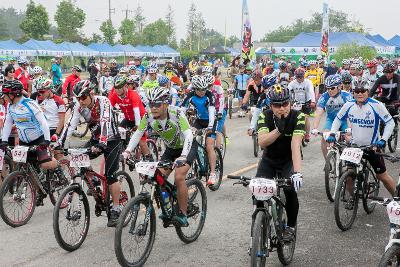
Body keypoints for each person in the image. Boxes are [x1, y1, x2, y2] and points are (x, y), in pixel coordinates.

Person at [123, 87, 195, 226]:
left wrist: (184, 155)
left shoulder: (177, 113)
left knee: (179, 177)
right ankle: (168, 209)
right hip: (171, 149)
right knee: (158, 177)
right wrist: (127, 152)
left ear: (166, 104)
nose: (154, 108)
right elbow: (138, 133)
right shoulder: (148, 115)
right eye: (151, 104)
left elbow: (188, 135)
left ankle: (183, 213)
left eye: (157, 104)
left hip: (187, 147)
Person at [58, 80, 123, 227]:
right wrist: (60, 143)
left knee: (110, 175)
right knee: (80, 157)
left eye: (83, 98)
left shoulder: (103, 101)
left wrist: (102, 143)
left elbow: (105, 121)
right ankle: (94, 181)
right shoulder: (79, 107)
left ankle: (117, 208)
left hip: (112, 140)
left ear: (91, 94)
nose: (80, 101)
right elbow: (70, 125)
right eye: (77, 98)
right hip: (96, 139)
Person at [327, 78, 396, 196]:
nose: (359, 93)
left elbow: (390, 123)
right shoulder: (348, 105)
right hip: (354, 146)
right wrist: (332, 133)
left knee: (382, 176)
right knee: (348, 174)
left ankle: (397, 198)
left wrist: (383, 140)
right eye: (356, 91)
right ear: (353, 92)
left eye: (362, 90)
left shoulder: (376, 105)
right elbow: (338, 119)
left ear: (368, 91)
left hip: (372, 147)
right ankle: (352, 198)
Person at [1, 80, 64, 205]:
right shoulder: (10, 106)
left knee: (45, 164)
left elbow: (43, 123)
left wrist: (46, 140)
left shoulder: (30, 104)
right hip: (25, 141)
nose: (4, 97)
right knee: (29, 168)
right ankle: (39, 192)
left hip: (39, 138)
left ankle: (59, 170)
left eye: (6, 94)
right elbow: (8, 123)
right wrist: (3, 140)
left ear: (13, 94)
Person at [256, 83, 304, 240]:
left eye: (285, 103)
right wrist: (279, 130)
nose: (282, 108)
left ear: (290, 102)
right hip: (269, 160)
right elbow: (262, 142)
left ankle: (290, 226)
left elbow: (295, 145)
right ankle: (259, 224)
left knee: (290, 191)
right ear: (271, 105)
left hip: (288, 160)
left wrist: (297, 173)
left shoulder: (299, 117)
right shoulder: (265, 116)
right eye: (277, 105)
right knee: (258, 194)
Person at [181, 75, 217, 185]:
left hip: (210, 121)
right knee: (192, 141)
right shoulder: (190, 96)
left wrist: (210, 126)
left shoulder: (209, 96)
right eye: (199, 89)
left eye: (204, 89)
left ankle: (212, 173)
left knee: (209, 145)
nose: (202, 92)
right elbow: (181, 111)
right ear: (194, 89)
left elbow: (211, 112)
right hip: (199, 120)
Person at [311, 74, 352, 159]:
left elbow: (350, 113)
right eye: (327, 88)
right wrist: (314, 128)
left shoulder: (346, 95)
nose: (329, 90)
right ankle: (327, 163)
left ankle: (350, 161)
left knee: (349, 138)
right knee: (324, 138)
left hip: (345, 120)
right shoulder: (324, 96)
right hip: (331, 120)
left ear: (339, 87)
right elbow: (318, 113)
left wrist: (350, 127)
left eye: (332, 88)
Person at [109, 75, 150, 158]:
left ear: (126, 86)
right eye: (116, 88)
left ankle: (150, 159)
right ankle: (127, 151)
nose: (117, 90)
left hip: (141, 119)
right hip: (128, 119)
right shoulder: (114, 95)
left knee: (142, 143)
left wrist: (138, 125)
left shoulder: (133, 94)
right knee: (119, 133)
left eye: (120, 88)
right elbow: (108, 107)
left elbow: (136, 111)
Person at [34, 78, 66, 144]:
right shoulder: (39, 99)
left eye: (42, 92)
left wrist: (56, 134)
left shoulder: (59, 101)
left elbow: (62, 120)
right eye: (39, 92)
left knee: (56, 152)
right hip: (43, 129)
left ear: (49, 90)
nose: (40, 94)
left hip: (54, 128)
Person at [288, 68, 315, 143]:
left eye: (301, 77)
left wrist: (313, 101)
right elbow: (287, 91)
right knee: (295, 118)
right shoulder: (293, 83)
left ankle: (307, 134)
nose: (300, 79)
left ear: (304, 76)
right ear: (295, 77)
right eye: (298, 77)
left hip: (307, 102)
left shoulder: (308, 82)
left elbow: (311, 91)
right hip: (297, 102)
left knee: (305, 118)